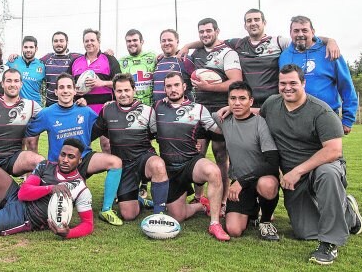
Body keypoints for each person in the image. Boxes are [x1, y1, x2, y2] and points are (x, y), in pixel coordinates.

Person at [260, 64, 362, 265]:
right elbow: (256, 116)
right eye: (283, 83)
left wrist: (296, 171)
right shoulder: (271, 104)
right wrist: (234, 108)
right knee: (304, 231)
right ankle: (348, 213)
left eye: (293, 83)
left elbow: (334, 150)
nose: (287, 87)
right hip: (294, 176)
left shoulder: (321, 111)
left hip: (322, 167)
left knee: (327, 174)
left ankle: (329, 244)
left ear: (303, 83)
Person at [180, 9, 340, 107]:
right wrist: (187, 46)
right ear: (245, 25)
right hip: (247, 103)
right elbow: (212, 41)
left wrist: (329, 40)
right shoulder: (238, 43)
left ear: (264, 22)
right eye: (249, 20)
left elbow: (303, 37)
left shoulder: (279, 42)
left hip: (273, 103)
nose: (253, 23)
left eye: (257, 19)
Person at [26, 73, 124, 226]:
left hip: (84, 159)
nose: (65, 91)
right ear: (56, 92)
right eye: (62, 87)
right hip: (60, 166)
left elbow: (104, 126)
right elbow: (29, 133)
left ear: (75, 90)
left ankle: (106, 209)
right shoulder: (46, 113)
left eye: (69, 87)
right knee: (60, 205)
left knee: (115, 162)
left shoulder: (85, 111)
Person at [153, 72, 230, 241]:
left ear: (184, 87)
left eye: (176, 85)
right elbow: (148, 128)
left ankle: (215, 224)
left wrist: (235, 117)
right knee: (178, 216)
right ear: (164, 89)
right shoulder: (157, 107)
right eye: (168, 86)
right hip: (169, 169)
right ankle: (200, 206)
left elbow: (217, 130)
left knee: (213, 171)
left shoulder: (198, 109)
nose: (173, 89)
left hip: (190, 163)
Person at [91, 73, 169, 220]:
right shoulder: (107, 110)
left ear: (134, 90)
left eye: (127, 90)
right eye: (119, 91)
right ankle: (139, 199)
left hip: (143, 159)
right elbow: (92, 133)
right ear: (114, 92)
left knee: (158, 165)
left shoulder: (147, 111)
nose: (123, 94)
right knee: (128, 215)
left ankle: (159, 215)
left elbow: (160, 136)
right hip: (123, 166)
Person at [211, 81, 280, 241]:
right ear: (227, 101)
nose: (237, 103)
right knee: (234, 230)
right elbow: (198, 116)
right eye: (232, 99)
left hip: (258, 178)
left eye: (242, 98)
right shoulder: (224, 120)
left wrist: (242, 181)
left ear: (251, 101)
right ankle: (253, 210)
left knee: (267, 185)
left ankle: (265, 220)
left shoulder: (260, 123)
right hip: (241, 183)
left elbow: (272, 162)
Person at [190, 18, 242, 209]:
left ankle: (223, 199)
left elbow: (236, 82)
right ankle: (198, 197)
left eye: (208, 31)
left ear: (217, 31)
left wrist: (209, 87)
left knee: (221, 155)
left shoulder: (228, 53)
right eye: (201, 31)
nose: (205, 34)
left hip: (220, 111)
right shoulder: (197, 53)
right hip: (199, 111)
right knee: (198, 153)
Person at [279, 15, 357, 135]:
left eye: (304, 30)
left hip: (326, 115)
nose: (300, 34)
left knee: (331, 153)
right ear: (290, 33)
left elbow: (346, 86)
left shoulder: (330, 52)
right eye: (296, 30)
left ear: (313, 32)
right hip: (294, 117)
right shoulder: (284, 56)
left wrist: (348, 119)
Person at [68, 28, 121, 154]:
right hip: (83, 109)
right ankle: (80, 172)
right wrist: (75, 90)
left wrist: (101, 83)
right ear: (83, 43)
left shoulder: (109, 59)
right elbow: (67, 83)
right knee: (81, 145)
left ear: (99, 42)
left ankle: (112, 172)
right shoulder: (75, 62)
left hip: (105, 109)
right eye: (86, 41)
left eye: (92, 40)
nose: (89, 43)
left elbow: (120, 83)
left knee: (107, 144)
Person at [40, 31, 81, 106]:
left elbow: (91, 55)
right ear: (52, 43)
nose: (58, 43)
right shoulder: (47, 58)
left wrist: (106, 54)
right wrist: (16, 57)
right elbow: (31, 62)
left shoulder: (75, 58)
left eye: (61, 41)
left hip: (69, 103)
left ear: (67, 43)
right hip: (51, 103)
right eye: (55, 41)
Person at [152, 29, 192, 103]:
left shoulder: (185, 59)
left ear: (177, 42)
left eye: (170, 40)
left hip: (180, 110)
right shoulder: (158, 60)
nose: (166, 43)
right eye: (163, 41)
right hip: (158, 109)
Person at [119, 29, 156, 106]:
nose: (132, 43)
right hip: (130, 107)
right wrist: (107, 55)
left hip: (151, 106)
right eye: (129, 41)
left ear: (142, 42)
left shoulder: (153, 57)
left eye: (135, 40)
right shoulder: (121, 61)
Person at [6, 36, 46, 104]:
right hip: (15, 106)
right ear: (22, 48)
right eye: (25, 47)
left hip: (35, 106)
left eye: (31, 47)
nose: (28, 50)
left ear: (36, 49)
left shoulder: (42, 65)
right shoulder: (12, 61)